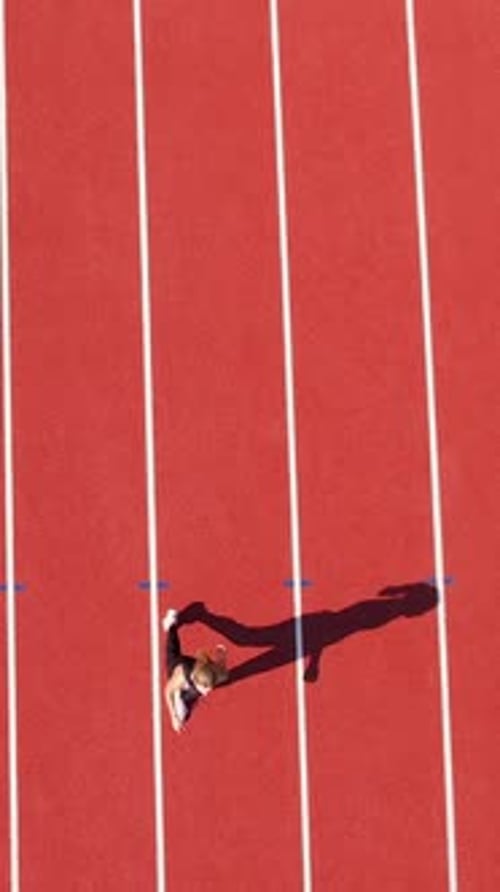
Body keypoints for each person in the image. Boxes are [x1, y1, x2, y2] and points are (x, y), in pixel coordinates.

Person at [162, 607, 228, 733]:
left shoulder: (217, 674)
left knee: (185, 713)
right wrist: (173, 717)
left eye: (209, 688)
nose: (207, 693)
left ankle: (184, 697)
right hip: (180, 665)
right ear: (197, 681)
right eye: (205, 688)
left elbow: (220, 664)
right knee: (172, 648)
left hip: (196, 671)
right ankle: (171, 624)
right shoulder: (181, 674)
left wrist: (220, 652)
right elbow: (167, 691)